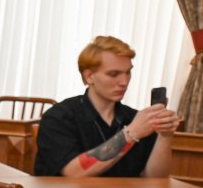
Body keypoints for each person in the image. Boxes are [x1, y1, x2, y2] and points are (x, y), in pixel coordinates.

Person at [35, 36, 180, 177]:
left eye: (128, 72)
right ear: (89, 76)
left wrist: (164, 136)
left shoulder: (134, 118)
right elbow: (74, 172)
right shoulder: (58, 117)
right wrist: (132, 133)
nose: (124, 82)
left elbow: (156, 180)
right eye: (114, 74)